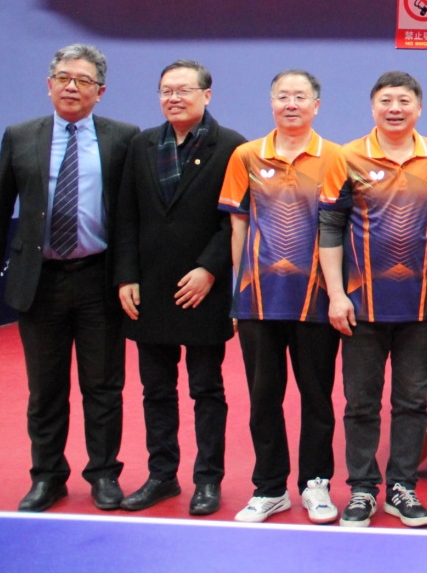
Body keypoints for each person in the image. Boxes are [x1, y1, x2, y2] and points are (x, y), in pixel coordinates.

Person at [0, 44, 138, 512]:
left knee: (103, 386)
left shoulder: (122, 138)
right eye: (64, 78)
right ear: (49, 85)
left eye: (83, 80)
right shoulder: (20, 135)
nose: (72, 87)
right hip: (40, 280)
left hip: (98, 279)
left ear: (100, 92)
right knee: (45, 389)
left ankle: (103, 474)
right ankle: (47, 476)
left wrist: (129, 275)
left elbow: (131, 216)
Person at [318, 71, 427, 529]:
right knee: (361, 403)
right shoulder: (347, 156)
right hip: (361, 307)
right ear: (373, 107)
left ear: (419, 108)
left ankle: (402, 487)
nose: (395, 109)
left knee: (412, 402)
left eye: (404, 101)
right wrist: (337, 294)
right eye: (386, 101)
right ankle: (362, 489)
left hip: (420, 308)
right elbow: (330, 226)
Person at [114, 59, 246, 516]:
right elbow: (126, 214)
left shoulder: (232, 146)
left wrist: (210, 269)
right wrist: (126, 275)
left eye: (184, 90)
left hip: (204, 288)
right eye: (166, 90)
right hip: (149, 289)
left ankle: (208, 479)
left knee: (206, 390)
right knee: (156, 390)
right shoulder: (143, 144)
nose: (174, 98)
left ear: (206, 95)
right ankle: (162, 475)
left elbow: (234, 219)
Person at [219, 70, 343, 524]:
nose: (291, 104)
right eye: (283, 96)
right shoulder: (246, 156)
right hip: (259, 300)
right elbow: (238, 226)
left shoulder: (336, 157)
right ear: (271, 103)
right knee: (263, 397)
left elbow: (339, 230)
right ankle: (269, 488)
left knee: (317, 398)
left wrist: (337, 293)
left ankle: (316, 484)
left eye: (300, 97)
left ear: (316, 105)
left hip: (316, 301)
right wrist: (239, 291)